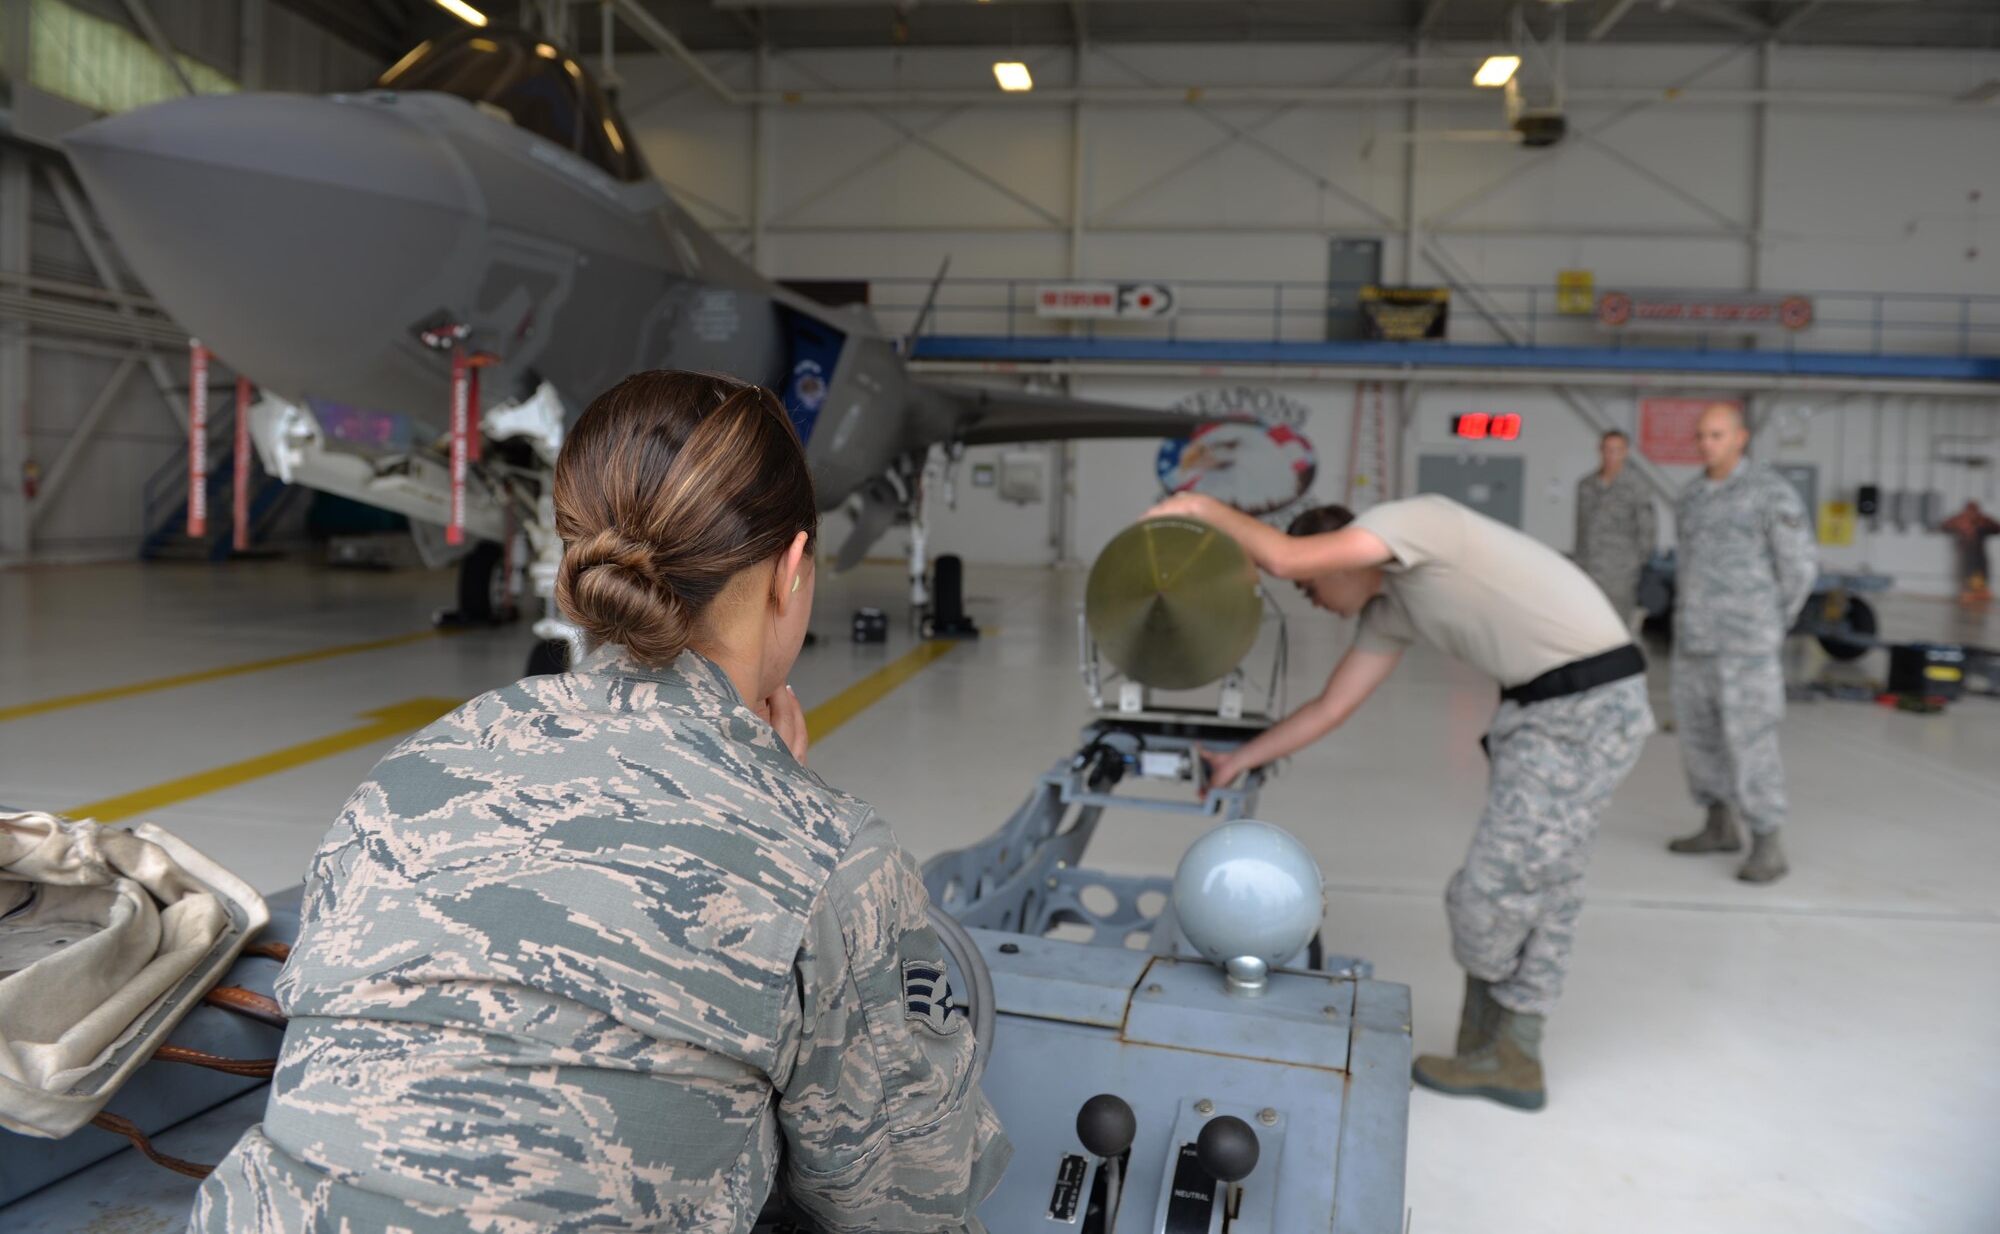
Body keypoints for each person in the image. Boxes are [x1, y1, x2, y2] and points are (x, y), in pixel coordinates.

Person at [192, 372, 1011, 1233]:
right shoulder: (825, 852)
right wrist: (795, 820)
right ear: (792, 571)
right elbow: (911, 1199)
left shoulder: (415, 767)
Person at [1146, 491, 1654, 1112]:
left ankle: (1507, 1052)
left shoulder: (1421, 525)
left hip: (1585, 709)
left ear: (1330, 562)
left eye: (1313, 591)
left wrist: (1201, 508)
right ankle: (1499, 1052)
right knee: (1544, 886)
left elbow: (1280, 559)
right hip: (1545, 713)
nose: (1318, 606)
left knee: (1489, 893)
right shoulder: (1393, 610)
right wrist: (1240, 758)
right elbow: (1332, 706)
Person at [1666, 403, 1817, 886]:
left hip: (1746, 645)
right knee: (1698, 737)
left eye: (1716, 435)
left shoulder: (1770, 494)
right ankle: (1717, 823)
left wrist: (1769, 623)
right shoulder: (1690, 498)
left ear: (1740, 438)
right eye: (1701, 435)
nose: (1706, 443)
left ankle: (1768, 842)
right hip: (1695, 641)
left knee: (1751, 741)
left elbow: (1799, 568)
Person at [1574, 429, 1656, 631]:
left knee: (1616, 629)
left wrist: (1637, 564)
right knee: (1587, 627)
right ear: (1600, 450)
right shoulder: (1586, 485)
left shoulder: (1636, 486)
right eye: (1607, 449)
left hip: (1620, 575)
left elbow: (1647, 528)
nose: (1611, 455)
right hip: (1588, 570)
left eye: (1617, 450)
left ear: (1626, 452)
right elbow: (1580, 529)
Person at [1941, 499, 2000, 603]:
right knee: (1965, 572)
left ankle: (1979, 591)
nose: (1971, 513)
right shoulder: (1959, 519)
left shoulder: (1982, 520)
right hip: (1964, 553)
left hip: (1978, 553)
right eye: (1970, 510)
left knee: (1979, 573)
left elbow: (1996, 528)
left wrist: (1982, 523)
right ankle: (1967, 591)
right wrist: (1960, 524)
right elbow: (1944, 526)